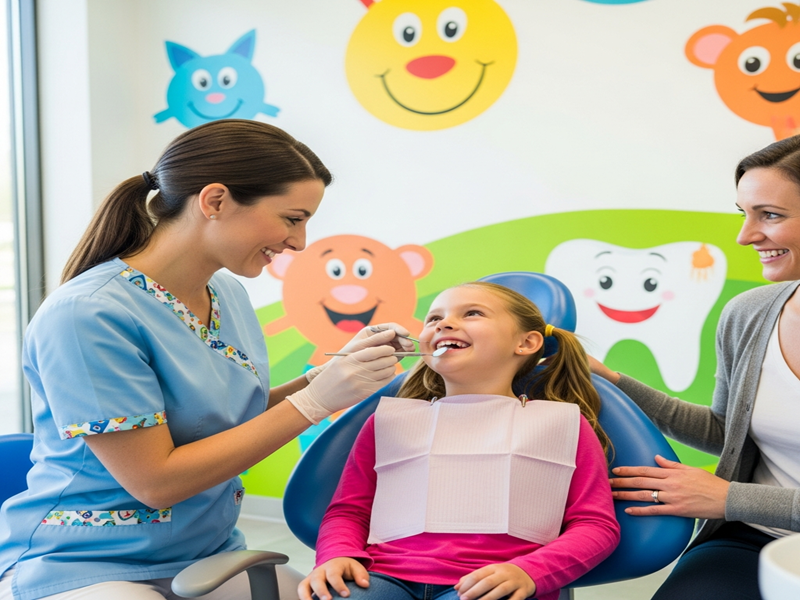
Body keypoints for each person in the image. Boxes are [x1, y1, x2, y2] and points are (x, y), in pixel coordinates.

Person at [0, 119, 415, 600]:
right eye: (292, 218)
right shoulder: (88, 315)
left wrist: (331, 374)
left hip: (206, 550)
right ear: (215, 201)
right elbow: (155, 482)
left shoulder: (226, 293)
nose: (299, 242)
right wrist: (318, 401)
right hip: (85, 560)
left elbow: (221, 420)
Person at [299, 282, 621, 600]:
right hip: (381, 577)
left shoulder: (562, 425)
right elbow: (349, 512)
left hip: (493, 583)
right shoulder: (387, 423)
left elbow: (595, 526)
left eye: (472, 313)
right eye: (433, 319)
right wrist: (337, 555)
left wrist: (530, 572)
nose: (445, 324)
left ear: (526, 343)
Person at [590, 135, 800, 600]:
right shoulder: (750, 313)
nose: (746, 236)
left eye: (770, 215)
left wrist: (727, 497)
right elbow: (728, 431)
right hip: (756, 540)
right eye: (743, 214)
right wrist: (613, 382)